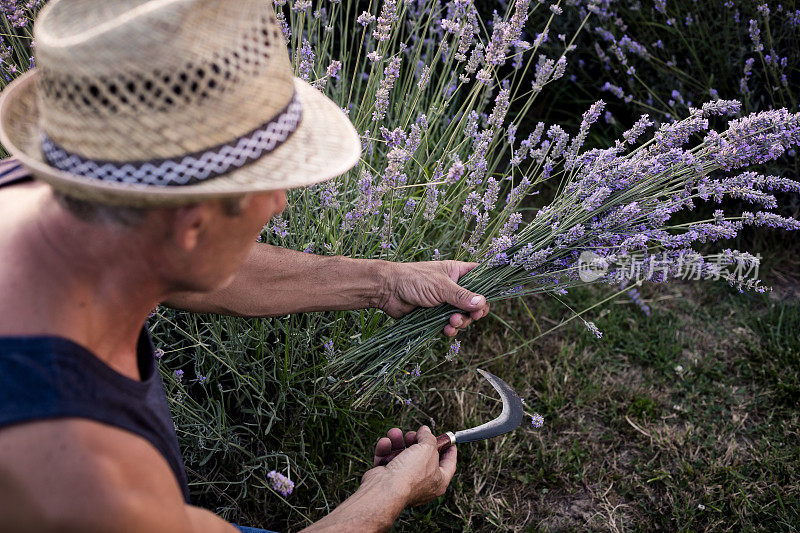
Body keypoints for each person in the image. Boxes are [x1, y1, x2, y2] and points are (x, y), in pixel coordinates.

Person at [0, 1, 490, 532]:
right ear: (192, 223)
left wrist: (382, 281)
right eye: (269, 180)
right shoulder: (80, 471)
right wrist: (390, 494)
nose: (281, 202)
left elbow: (182, 260)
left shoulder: (43, 193)